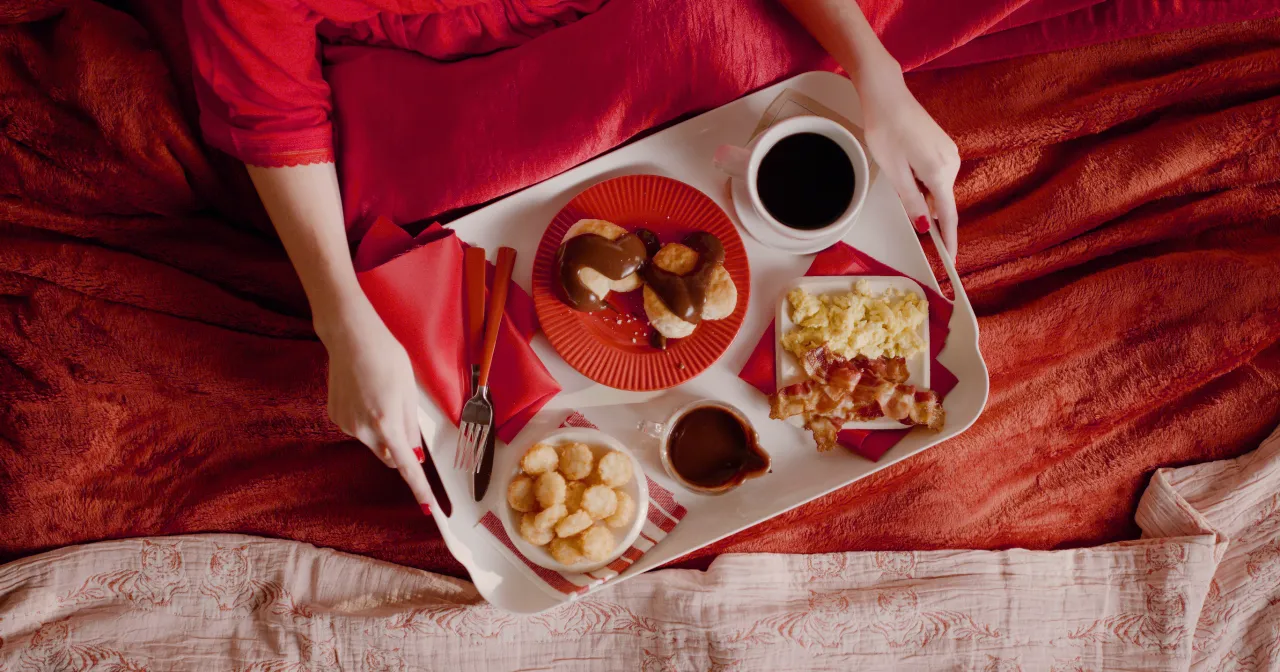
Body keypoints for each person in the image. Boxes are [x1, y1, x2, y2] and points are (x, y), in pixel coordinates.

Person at [184, 0, 961, 507]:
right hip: (446, 89)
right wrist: (340, 317)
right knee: (383, 209)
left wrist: (878, 76)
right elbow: (274, 113)